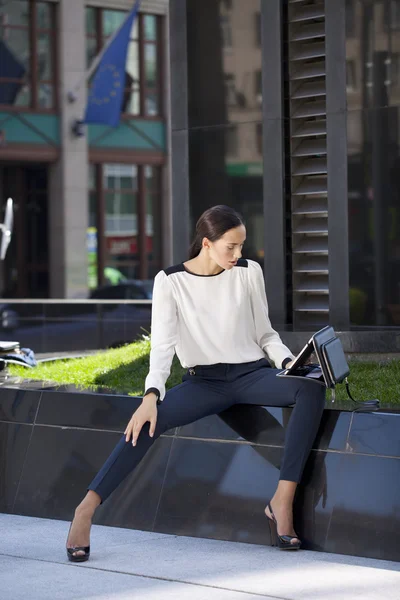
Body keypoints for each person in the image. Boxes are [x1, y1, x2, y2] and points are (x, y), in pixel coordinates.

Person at [66, 205, 326, 561]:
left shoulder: (249, 272)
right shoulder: (170, 282)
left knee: (311, 388)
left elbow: (266, 334)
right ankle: (86, 509)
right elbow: (162, 347)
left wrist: (288, 364)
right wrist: (150, 395)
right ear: (207, 243)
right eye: (230, 247)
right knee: (145, 424)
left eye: (241, 246)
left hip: (252, 373)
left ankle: (282, 502)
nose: (238, 254)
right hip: (205, 383)